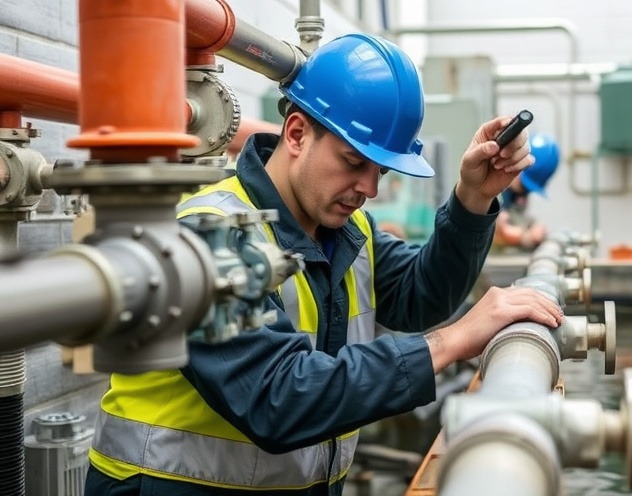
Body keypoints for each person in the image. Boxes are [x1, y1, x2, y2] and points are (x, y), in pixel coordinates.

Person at [84, 33, 563, 495]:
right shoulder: (213, 234)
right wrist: (451, 342)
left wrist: (473, 198)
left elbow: (422, 295)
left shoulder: (348, 234)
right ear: (296, 134)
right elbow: (277, 397)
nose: (370, 188)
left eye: (381, 170)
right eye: (355, 162)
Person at [493, 132, 561, 251]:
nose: (524, 192)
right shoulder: (494, 190)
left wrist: (533, 226)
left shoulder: (517, 194)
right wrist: (525, 237)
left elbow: (517, 216)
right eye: (523, 186)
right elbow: (498, 230)